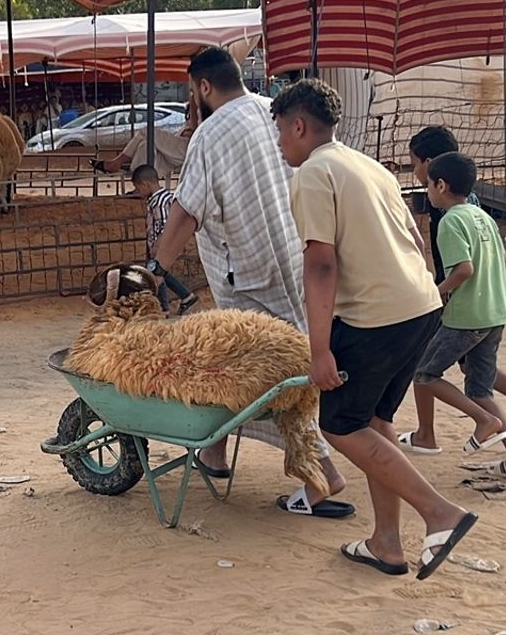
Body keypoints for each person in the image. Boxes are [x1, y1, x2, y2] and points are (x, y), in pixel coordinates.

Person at [274, 78, 476, 579]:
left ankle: (440, 514)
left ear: (299, 126)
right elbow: (415, 233)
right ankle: (387, 542)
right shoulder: (367, 165)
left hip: (375, 317)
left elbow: (320, 264)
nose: (279, 143)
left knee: (340, 425)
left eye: (280, 132)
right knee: (377, 425)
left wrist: (319, 349)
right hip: (420, 306)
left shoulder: (314, 174)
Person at [148, 46, 353, 519]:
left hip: (248, 272)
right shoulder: (274, 111)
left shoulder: (209, 134)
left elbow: (186, 211)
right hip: (295, 255)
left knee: (271, 376)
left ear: (202, 87)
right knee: (242, 364)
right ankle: (214, 451)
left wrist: (157, 269)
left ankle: (321, 471)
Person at [400, 126, 506, 458]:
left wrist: (438, 291)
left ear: (434, 173)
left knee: (424, 368)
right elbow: (495, 259)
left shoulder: (447, 213)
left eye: (414, 163)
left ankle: (431, 434)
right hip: (484, 306)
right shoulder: (474, 208)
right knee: (476, 379)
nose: (413, 171)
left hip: (462, 305)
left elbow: (466, 266)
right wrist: (499, 291)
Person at [131, 164, 199, 316]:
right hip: (156, 245)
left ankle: (163, 308)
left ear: (146, 184)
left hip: (159, 246)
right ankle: (186, 296)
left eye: (138, 188)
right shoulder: (158, 199)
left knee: (156, 273)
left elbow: (165, 225)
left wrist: (158, 245)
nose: (138, 192)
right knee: (161, 273)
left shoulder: (160, 202)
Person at [92, 94, 201, 177]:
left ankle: (118, 162)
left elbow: (194, 126)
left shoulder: (199, 96)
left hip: (190, 146)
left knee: (147, 131)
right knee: (145, 145)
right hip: (182, 144)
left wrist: (189, 131)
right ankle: (141, 183)